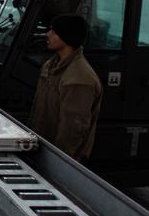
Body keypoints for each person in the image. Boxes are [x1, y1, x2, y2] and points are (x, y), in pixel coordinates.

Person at [29, 13, 102, 160]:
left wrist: (60, 161)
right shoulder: (50, 65)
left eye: (54, 32)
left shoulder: (79, 78)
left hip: (57, 157)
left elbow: (73, 129)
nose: (47, 34)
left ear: (67, 37)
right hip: (42, 148)